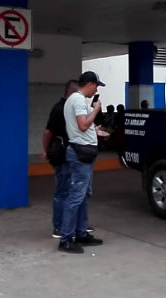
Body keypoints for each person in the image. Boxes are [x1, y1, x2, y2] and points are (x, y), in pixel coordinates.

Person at [58, 71, 105, 254]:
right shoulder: (78, 100)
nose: (96, 90)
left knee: (83, 195)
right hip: (80, 154)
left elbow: (84, 127)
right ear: (90, 84)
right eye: (96, 86)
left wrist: (96, 131)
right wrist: (96, 110)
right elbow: (82, 125)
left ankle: (81, 232)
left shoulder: (74, 100)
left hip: (82, 151)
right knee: (76, 196)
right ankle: (66, 238)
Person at [42, 80, 79, 239]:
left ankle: (70, 225)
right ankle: (58, 226)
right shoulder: (60, 109)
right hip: (61, 156)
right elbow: (47, 133)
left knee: (71, 192)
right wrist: (46, 150)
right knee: (62, 192)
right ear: (71, 93)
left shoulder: (70, 109)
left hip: (70, 155)